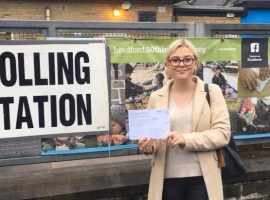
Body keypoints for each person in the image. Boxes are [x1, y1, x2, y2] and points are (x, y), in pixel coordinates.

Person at [138, 39, 230, 200]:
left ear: (195, 63)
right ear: (168, 64)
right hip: (165, 179)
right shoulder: (156, 97)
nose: (182, 64)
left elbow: (222, 134)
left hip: (203, 178)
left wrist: (185, 139)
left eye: (187, 59)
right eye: (175, 59)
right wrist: (148, 147)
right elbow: (152, 139)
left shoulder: (212, 92)